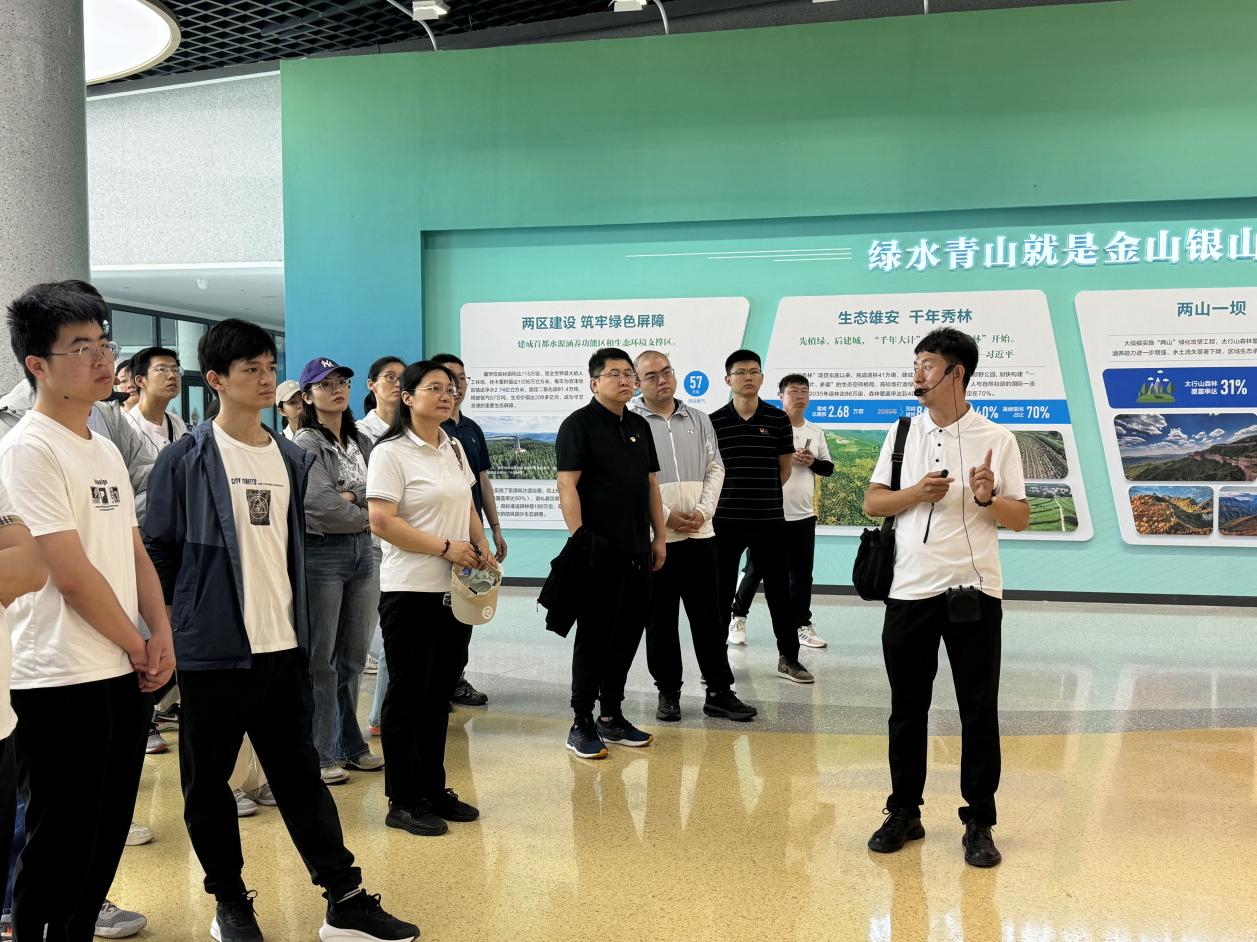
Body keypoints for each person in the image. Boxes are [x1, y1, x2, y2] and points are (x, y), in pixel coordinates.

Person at [143, 319, 416, 942]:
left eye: (270, 368)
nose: (267, 380)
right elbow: (158, 548)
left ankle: (344, 898)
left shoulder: (290, 457)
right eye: (251, 370)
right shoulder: (185, 459)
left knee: (300, 777)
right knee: (208, 785)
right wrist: (177, 628)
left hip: (284, 647)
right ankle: (230, 902)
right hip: (214, 652)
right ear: (217, 380)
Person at [0, 280, 175, 940]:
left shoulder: (101, 445)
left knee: (104, 835)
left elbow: (132, 550)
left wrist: (161, 632)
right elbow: (68, 573)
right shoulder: (29, 448)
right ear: (37, 365)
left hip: (118, 666)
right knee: (58, 840)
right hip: (57, 674)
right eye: (81, 347)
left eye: (104, 342)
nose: (103, 359)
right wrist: (138, 643)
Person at [862, 327, 1028, 869]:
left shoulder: (997, 439)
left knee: (977, 710)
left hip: (973, 593)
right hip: (909, 589)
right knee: (906, 709)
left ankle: (979, 820)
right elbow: (872, 503)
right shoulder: (902, 432)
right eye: (916, 364)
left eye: (928, 364)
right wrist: (915, 493)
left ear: (957, 373)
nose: (917, 374)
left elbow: (1020, 518)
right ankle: (903, 812)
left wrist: (987, 497)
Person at [367, 360, 496, 836]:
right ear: (407, 397)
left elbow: (466, 505)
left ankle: (433, 788)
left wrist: (480, 546)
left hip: (455, 590)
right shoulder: (391, 452)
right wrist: (445, 548)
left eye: (451, 388)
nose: (447, 395)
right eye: (435, 388)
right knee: (408, 695)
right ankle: (402, 800)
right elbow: (382, 521)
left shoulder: (453, 446)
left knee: (439, 692)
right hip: (411, 591)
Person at [629, 350, 755, 723]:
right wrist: (666, 516)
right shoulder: (630, 423)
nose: (662, 380)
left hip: (701, 535)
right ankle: (668, 692)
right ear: (637, 383)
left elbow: (716, 468)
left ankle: (719, 692)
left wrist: (703, 512)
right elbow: (632, 479)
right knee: (661, 621)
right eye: (651, 376)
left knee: (709, 618)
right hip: (659, 540)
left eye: (666, 371)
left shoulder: (698, 418)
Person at [555, 347, 666, 760]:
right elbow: (567, 485)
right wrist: (580, 540)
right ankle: (581, 722)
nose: (624, 380)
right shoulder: (578, 425)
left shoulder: (638, 425)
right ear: (594, 382)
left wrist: (659, 537)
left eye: (628, 374)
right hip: (598, 550)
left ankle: (611, 715)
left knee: (628, 633)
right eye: (614, 373)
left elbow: (651, 485)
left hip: (637, 550)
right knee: (594, 637)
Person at [294, 356, 384, 784]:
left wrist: (352, 496)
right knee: (321, 661)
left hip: (364, 552)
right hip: (323, 554)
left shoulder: (361, 440)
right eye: (326, 384)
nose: (337, 390)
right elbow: (320, 506)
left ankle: (351, 744)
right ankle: (321, 750)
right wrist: (364, 510)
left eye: (342, 382)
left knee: (352, 658)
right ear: (308, 396)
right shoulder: (306, 442)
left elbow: (383, 493)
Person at [709, 349, 813, 684]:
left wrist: (761, 495)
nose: (748, 377)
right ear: (728, 379)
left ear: (762, 378)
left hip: (768, 520)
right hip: (724, 520)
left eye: (754, 371)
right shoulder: (713, 421)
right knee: (720, 593)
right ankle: (715, 665)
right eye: (741, 372)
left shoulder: (777, 419)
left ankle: (789, 659)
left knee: (779, 593)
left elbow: (784, 469)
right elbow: (710, 471)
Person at [728, 373, 834, 649]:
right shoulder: (770, 426)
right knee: (755, 571)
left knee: (802, 575)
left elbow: (828, 468)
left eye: (804, 391)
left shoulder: (815, 431)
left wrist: (811, 461)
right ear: (781, 397)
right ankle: (737, 617)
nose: (800, 396)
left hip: (803, 516)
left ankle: (802, 625)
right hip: (768, 515)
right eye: (793, 391)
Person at [431, 353, 509, 707]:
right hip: (440, 539)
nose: (456, 387)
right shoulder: (432, 430)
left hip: (471, 536)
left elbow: (482, 484)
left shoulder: (472, 430)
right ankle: (436, 684)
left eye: (461, 379)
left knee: (466, 611)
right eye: (448, 380)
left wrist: (494, 530)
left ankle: (454, 679)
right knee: (437, 616)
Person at [358, 356, 407, 737]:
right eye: (389, 377)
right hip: (368, 542)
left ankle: (380, 716)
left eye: (403, 378)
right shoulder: (360, 433)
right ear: (372, 385)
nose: (397, 384)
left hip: (406, 544)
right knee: (361, 639)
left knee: (395, 636)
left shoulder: (413, 431)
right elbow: (356, 489)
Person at [124, 346, 189, 453]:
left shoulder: (177, 422)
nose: (172, 375)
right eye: (162, 369)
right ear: (140, 381)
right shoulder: (128, 426)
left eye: (176, 370)